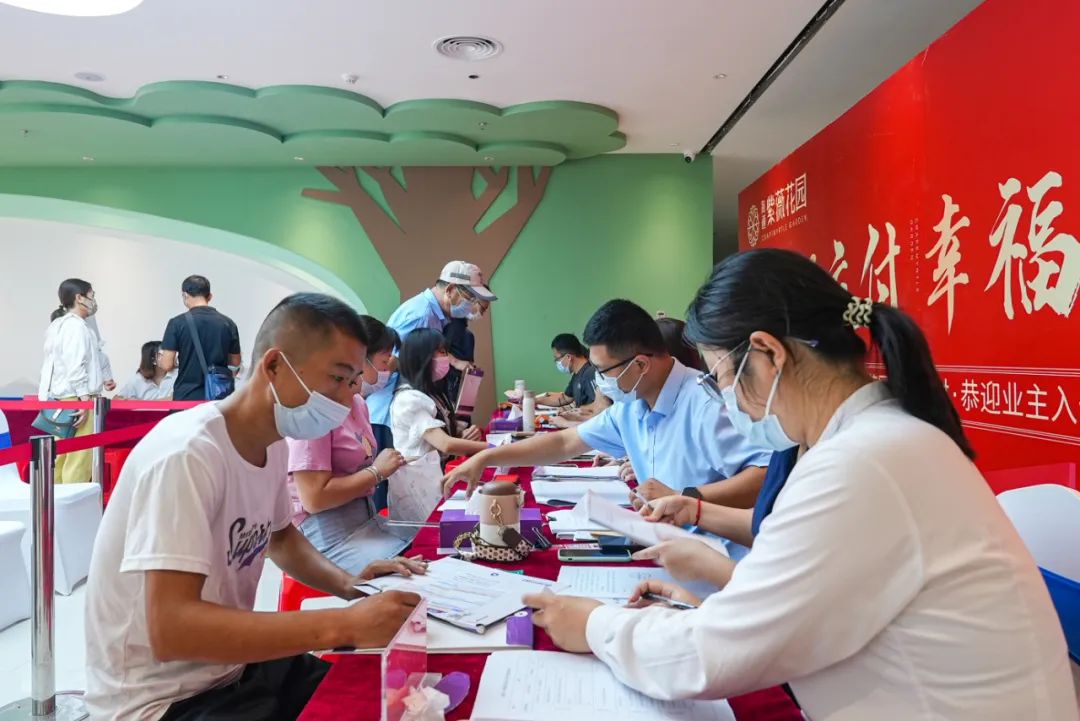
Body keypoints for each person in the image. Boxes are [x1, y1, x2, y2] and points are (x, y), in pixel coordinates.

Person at [523, 249, 1079, 721]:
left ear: (768, 354)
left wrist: (594, 624)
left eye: (722, 378)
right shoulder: (874, 440)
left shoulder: (863, 464)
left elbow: (704, 660)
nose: (727, 401)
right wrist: (712, 607)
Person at [84, 293, 425, 721]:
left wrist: (352, 586)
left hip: (230, 667)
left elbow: (280, 538)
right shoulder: (188, 455)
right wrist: (344, 623)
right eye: (337, 379)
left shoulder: (272, 442)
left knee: (386, 699)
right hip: (162, 699)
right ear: (275, 366)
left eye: (354, 381)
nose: (345, 401)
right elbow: (171, 629)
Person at [443, 299, 771, 511]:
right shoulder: (632, 406)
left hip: (713, 558)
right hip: (664, 542)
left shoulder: (706, 404)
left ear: (640, 364)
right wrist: (487, 457)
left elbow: (765, 476)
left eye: (603, 371)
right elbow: (564, 442)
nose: (599, 380)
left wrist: (689, 499)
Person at [287, 315, 412, 573]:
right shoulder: (314, 409)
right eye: (383, 360)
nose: (388, 367)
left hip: (364, 520)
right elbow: (314, 499)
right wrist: (376, 472)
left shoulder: (358, 403)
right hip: (324, 534)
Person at [366, 261, 497, 449]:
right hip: (388, 413)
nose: (470, 306)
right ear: (450, 290)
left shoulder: (439, 316)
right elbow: (390, 361)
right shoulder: (420, 314)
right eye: (469, 298)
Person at [38, 278, 115, 483]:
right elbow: (75, 365)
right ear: (79, 298)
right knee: (79, 458)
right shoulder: (76, 327)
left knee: (62, 457)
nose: (94, 301)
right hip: (78, 399)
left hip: (65, 398)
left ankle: (56, 500)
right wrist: (84, 400)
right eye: (91, 296)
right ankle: (73, 500)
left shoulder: (61, 325)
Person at [390, 328, 489, 460]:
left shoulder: (434, 392)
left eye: (445, 352)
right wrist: (495, 447)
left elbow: (445, 438)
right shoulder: (408, 399)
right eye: (441, 352)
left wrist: (463, 437)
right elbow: (445, 444)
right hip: (419, 472)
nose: (446, 358)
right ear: (423, 356)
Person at [159, 275, 242, 402]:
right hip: (218, 396)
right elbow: (235, 362)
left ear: (185, 295)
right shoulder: (228, 323)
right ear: (210, 296)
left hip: (186, 396)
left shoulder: (177, 323)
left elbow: (166, 365)